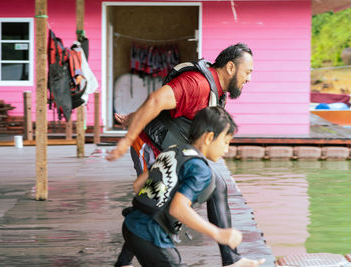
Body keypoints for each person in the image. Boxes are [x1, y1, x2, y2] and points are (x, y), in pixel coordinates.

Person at [109, 43, 255, 267]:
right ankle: (124, 261)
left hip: (172, 149)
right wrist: (127, 138)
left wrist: (132, 116)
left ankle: (231, 259)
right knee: (155, 201)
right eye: (247, 72)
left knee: (218, 185)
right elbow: (156, 100)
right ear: (230, 68)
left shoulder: (217, 91)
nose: (249, 79)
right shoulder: (197, 84)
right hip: (149, 144)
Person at [122, 106, 265, 267]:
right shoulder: (200, 168)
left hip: (130, 227)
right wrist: (218, 233)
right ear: (209, 138)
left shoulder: (173, 150)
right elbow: (178, 209)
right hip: (151, 235)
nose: (226, 150)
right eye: (225, 143)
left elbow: (138, 185)